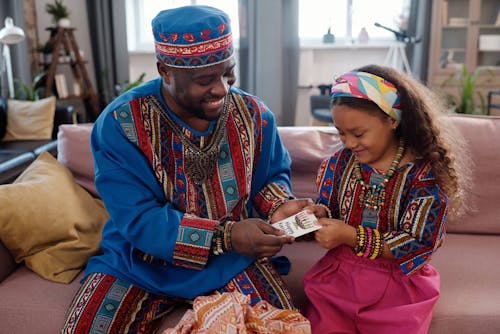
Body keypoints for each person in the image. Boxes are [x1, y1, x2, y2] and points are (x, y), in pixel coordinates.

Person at [62, 5, 310, 333]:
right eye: (205, 79)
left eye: (228, 73)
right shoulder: (122, 124)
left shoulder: (254, 115)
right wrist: (228, 235)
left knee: (284, 327)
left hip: (231, 262)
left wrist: (280, 206)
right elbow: (139, 218)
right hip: (138, 264)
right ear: (165, 70)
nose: (222, 88)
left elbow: (268, 178)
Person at [302, 65, 470, 334]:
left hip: (398, 287)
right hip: (337, 281)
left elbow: (418, 242)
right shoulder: (339, 164)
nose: (349, 143)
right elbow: (331, 208)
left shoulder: (423, 177)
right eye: (341, 133)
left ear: (393, 120)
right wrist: (317, 215)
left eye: (358, 134)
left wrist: (351, 236)